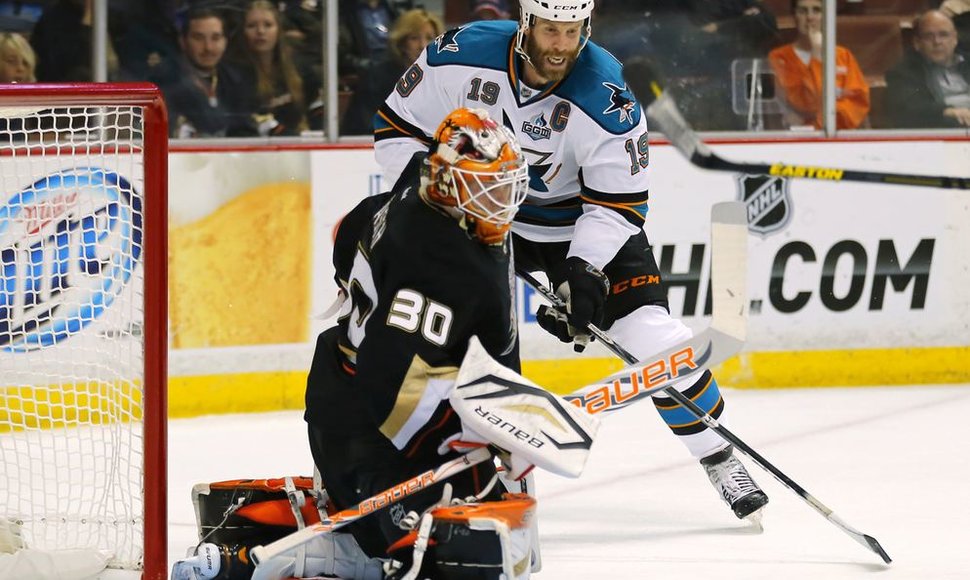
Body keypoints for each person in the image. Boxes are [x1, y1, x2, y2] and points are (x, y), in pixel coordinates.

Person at [374, 0, 770, 523]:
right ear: (527, 23)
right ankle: (449, 468)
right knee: (451, 338)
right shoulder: (460, 54)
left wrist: (583, 272)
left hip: (578, 224)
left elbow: (616, 205)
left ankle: (717, 455)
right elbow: (395, 133)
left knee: (658, 340)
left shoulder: (607, 97)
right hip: (480, 214)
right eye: (551, 30)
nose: (561, 44)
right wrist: (449, 205)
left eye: (572, 30)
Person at [171, 108, 537, 580]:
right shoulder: (440, 260)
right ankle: (291, 557)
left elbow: (347, 234)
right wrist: (475, 434)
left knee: (489, 514)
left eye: (506, 187)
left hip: (340, 405)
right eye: (489, 189)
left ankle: (318, 532)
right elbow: (393, 382)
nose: (501, 202)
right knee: (463, 539)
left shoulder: (411, 198)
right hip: (371, 435)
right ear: (449, 185)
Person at [767, 0, 870, 129]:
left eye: (816, 10)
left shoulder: (843, 55)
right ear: (794, 16)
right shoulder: (779, 57)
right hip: (801, 140)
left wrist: (817, 121)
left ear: (825, 15)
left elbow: (857, 105)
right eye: (803, 11)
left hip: (841, 137)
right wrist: (816, 56)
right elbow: (806, 104)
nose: (810, 17)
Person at [341, 8, 443, 134]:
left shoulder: (443, 79)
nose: (423, 45)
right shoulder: (376, 78)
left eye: (429, 38)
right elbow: (362, 127)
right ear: (402, 43)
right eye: (414, 38)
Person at [229, 0, 320, 136]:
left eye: (268, 25)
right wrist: (295, 140)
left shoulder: (298, 63)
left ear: (279, 29)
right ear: (243, 32)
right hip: (254, 147)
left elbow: (317, 105)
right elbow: (256, 121)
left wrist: (319, 133)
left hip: (296, 142)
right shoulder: (234, 74)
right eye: (252, 26)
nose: (260, 31)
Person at [161, 6, 255, 138]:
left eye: (216, 38)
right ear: (183, 41)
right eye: (198, 38)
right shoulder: (164, 83)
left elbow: (247, 129)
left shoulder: (236, 79)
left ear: (225, 41)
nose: (208, 47)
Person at [885, 10, 970, 128]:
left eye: (944, 35)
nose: (937, 42)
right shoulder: (903, 73)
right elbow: (907, 109)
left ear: (955, 38)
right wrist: (947, 111)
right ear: (917, 43)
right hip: (944, 132)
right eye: (929, 36)